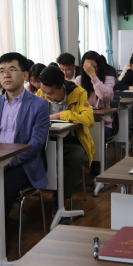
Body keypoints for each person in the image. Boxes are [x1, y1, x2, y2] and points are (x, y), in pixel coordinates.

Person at [0, 53, 49, 218]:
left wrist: (8, 163)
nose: (6, 74)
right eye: (2, 71)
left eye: (11, 69)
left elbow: (36, 142)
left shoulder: (39, 104)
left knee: (4, 187)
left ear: (25, 75)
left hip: (23, 163)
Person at [36, 66, 95, 203]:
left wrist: (61, 114)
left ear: (61, 86)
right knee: (28, 154)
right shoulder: (41, 93)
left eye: (50, 93)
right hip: (46, 140)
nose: (46, 96)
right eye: (44, 92)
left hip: (72, 140)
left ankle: (62, 199)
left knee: (74, 158)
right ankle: (33, 191)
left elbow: (89, 119)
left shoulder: (78, 93)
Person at [74, 51, 116, 140]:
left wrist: (93, 76)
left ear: (99, 67)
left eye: (92, 67)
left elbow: (105, 96)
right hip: (83, 122)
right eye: (86, 66)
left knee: (92, 135)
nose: (88, 69)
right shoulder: (79, 80)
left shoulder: (109, 79)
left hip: (103, 123)